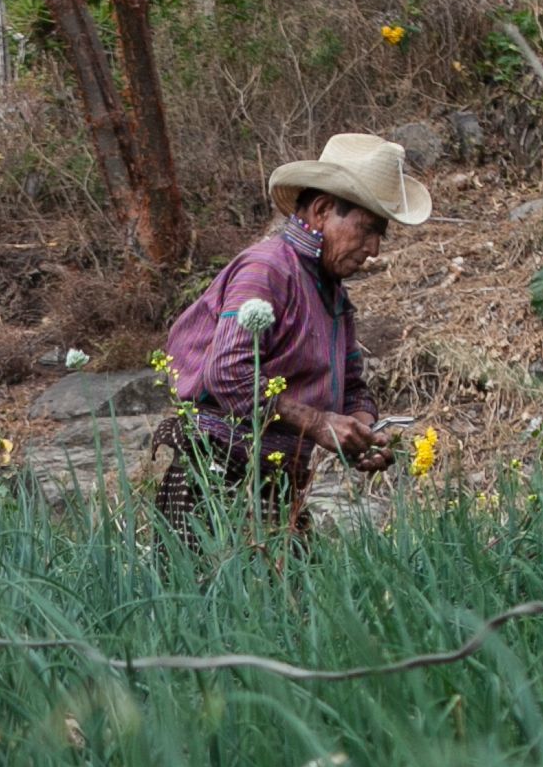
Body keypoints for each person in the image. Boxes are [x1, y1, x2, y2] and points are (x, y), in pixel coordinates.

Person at [156, 132, 431, 536]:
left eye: (380, 235)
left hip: (278, 483)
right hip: (218, 481)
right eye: (367, 229)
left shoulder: (333, 295)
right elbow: (228, 374)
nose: (374, 248)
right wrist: (318, 423)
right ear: (321, 210)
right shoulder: (267, 270)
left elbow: (353, 387)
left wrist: (359, 432)